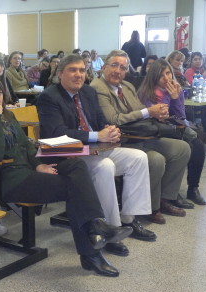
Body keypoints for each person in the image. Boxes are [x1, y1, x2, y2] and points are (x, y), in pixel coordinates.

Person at [0, 74, 133, 277]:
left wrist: (38, 165)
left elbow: (27, 146)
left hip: (28, 171)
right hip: (8, 180)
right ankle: (92, 248)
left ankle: (95, 228)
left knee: (77, 166)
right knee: (74, 189)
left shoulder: (8, 117)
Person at [38, 54, 156, 252]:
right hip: (68, 155)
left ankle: (129, 220)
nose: (78, 75)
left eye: (82, 70)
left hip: (96, 148)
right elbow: (57, 133)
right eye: (73, 70)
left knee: (138, 158)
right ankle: (111, 229)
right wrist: (96, 136)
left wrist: (110, 131)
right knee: (105, 166)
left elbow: (101, 121)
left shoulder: (87, 92)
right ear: (60, 74)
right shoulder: (49, 97)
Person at [91, 50, 192, 221]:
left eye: (123, 67)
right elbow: (113, 119)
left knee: (182, 148)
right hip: (121, 139)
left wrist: (155, 113)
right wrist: (147, 112)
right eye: (114, 65)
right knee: (156, 159)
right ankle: (151, 207)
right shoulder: (98, 88)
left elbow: (140, 110)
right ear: (103, 67)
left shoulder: (127, 86)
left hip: (141, 134)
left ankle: (165, 197)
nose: (118, 71)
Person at [138, 59, 206, 205]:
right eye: (162, 75)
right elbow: (160, 116)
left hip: (176, 127)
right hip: (157, 129)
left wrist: (175, 97)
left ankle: (193, 188)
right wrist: (169, 97)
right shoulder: (146, 92)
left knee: (198, 146)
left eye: (168, 73)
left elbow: (180, 117)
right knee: (183, 146)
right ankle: (171, 193)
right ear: (154, 77)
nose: (167, 78)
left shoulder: (177, 90)